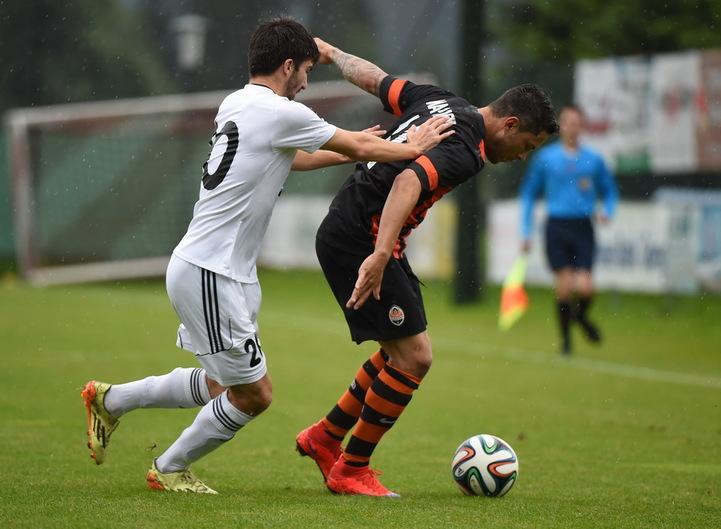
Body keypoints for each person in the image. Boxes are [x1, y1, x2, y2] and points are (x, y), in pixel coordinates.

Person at [80, 18, 453, 494]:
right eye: (307, 72)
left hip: (217, 271)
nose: (306, 83)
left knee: (222, 386)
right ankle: (169, 467)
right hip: (211, 272)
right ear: (288, 65)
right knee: (255, 394)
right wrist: (411, 145)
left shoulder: (238, 103)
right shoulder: (282, 112)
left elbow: (292, 157)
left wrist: (355, 151)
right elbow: (358, 143)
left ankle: (111, 401)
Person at [295, 37, 559, 497]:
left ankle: (326, 437)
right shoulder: (467, 149)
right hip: (360, 238)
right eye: (527, 146)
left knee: (398, 351)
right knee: (415, 357)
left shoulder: (440, 101)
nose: (522, 156)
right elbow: (406, 183)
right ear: (510, 124)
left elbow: (375, 79)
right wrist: (380, 254)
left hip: (354, 228)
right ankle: (351, 468)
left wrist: (334, 55)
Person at [519, 105, 618, 355]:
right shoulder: (546, 158)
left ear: (581, 126)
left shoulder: (593, 160)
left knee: (585, 287)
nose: (572, 128)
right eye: (567, 122)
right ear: (560, 126)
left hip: (583, 226)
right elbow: (529, 193)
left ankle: (580, 318)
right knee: (564, 286)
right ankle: (566, 343)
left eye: (576, 123)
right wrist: (526, 231)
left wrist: (607, 211)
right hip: (557, 226)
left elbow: (609, 191)